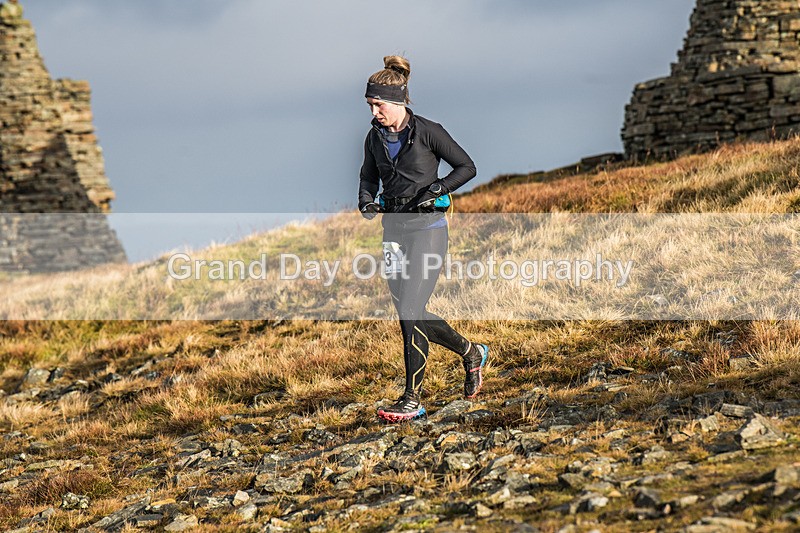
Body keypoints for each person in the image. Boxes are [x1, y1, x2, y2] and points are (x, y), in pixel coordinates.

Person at [358, 55, 488, 423]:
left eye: (379, 104)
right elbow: (368, 177)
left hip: (428, 230)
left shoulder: (430, 131)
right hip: (393, 232)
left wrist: (439, 187)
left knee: (411, 311)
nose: (374, 111)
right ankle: (470, 352)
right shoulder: (374, 137)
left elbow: (467, 166)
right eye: (370, 104)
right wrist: (366, 200)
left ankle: (412, 398)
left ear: (398, 101)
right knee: (406, 311)